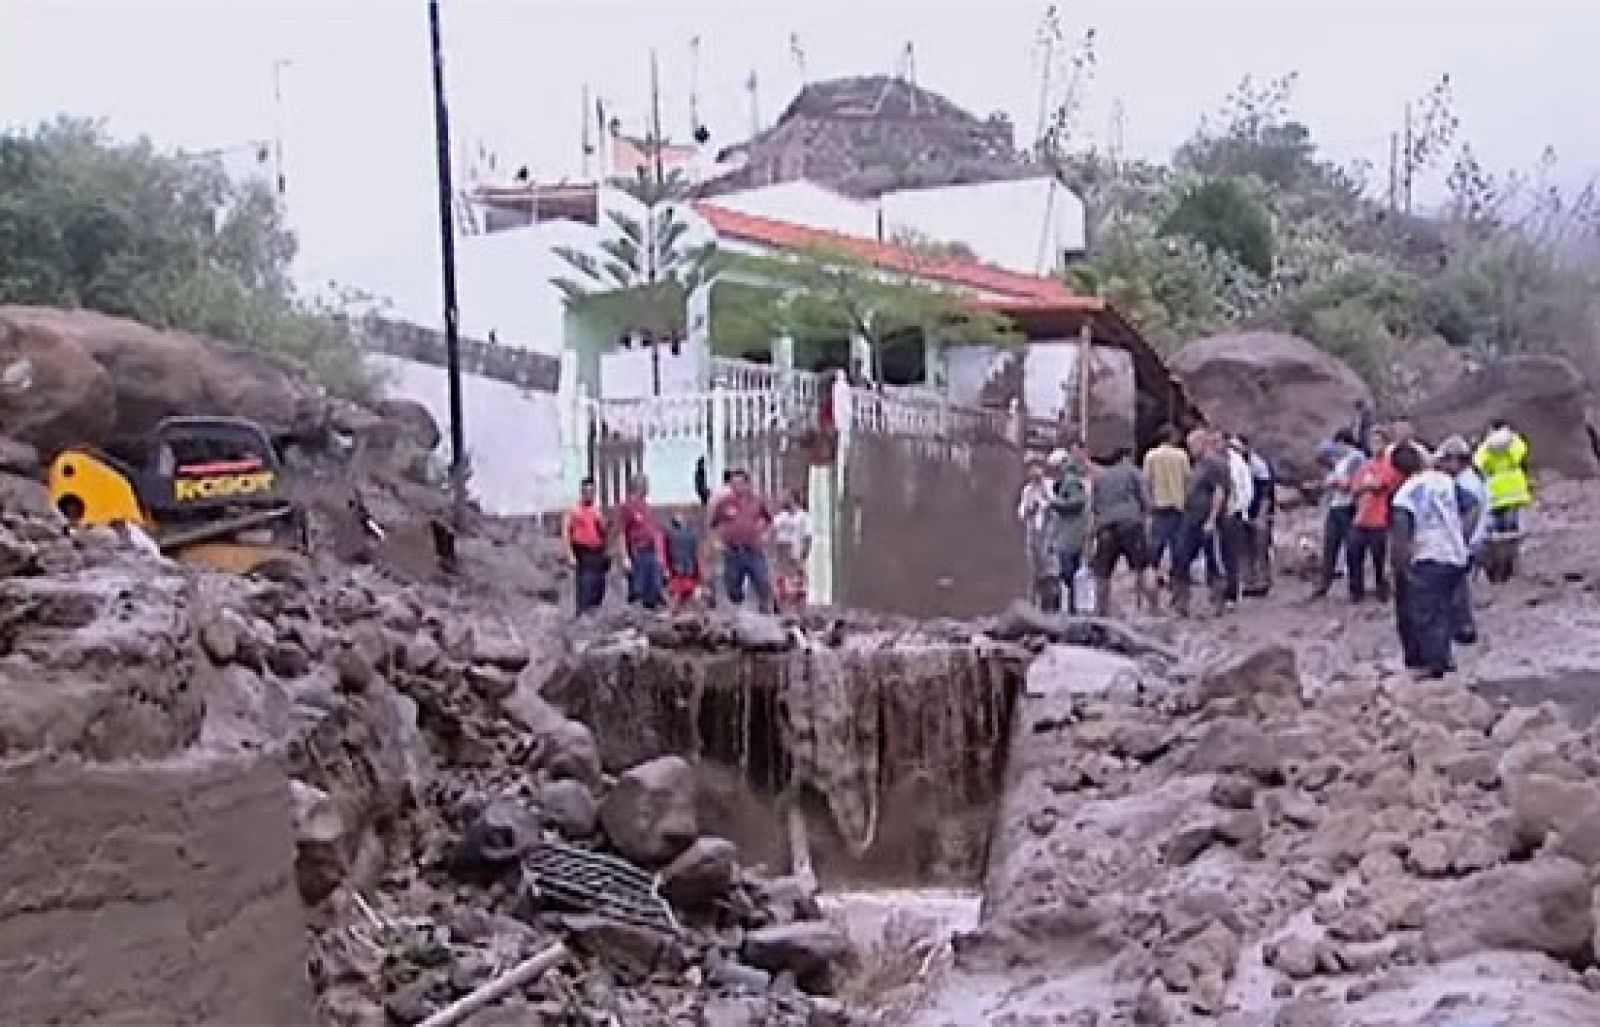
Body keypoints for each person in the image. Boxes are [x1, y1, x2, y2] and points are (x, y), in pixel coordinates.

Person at [1389, 442, 1480, 678]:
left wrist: (1400, 564)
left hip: (1427, 556)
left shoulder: (1405, 494)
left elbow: (1401, 533)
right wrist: (1462, 534)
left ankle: (1435, 667)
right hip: (1454, 554)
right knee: (1444, 609)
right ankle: (1445, 658)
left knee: (1424, 614)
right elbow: (1472, 506)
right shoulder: (1444, 481)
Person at [1170, 429, 1231, 616]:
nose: (1190, 450)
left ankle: (1217, 601)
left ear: (1203, 443)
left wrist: (1212, 519)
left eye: (1193, 445)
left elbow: (1220, 492)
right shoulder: (1198, 464)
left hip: (1208, 521)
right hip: (1191, 518)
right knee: (1182, 557)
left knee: (1213, 560)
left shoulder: (1215, 464)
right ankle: (1181, 601)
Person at [1089, 446, 1153, 616]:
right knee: (1143, 567)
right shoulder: (1133, 472)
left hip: (1106, 526)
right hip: (1130, 523)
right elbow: (1146, 500)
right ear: (1125, 458)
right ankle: (1153, 607)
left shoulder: (1102, 477)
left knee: (1102, 572)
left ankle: (1101, 610)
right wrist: (1144, 516)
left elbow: (1094, 505)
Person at [1437, 435, 1487, 644]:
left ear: (1458, 460)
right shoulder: (1469, 480)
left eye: (1447, 460)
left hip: (1467, 543)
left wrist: (1459, 540)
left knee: (1457, 587)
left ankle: (1463, 628)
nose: (1444, 465)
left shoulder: (1466, 484)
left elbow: (1471, 514)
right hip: (1472, 541)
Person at [1348, 426, 1401, 603]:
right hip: (1361, 517)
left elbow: (1383, 484)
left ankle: (1382, 590)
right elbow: (1355, 488)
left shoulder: (1390, 466)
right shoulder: (1365, 466)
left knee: (1379, 558)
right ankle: (1356, 592)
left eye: (1379, 442)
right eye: (1372, 442)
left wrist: (1368, 486)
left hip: (1379, 519)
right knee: (1354, 554)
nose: (1375, 445)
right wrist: (1367, 486)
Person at [709, 469, 775, 610]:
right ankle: (737, 611)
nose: (736, 487)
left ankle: (765, 609)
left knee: (762, 580)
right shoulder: (724, 503)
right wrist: (716, 541)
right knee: (732, 586)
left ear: (747, 484)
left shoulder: (757, 501)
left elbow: (769, 520)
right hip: (733, 551)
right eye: (733, 484)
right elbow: (714, 524)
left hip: (753, 549)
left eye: (740, 483)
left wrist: (766, 534)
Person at [1311, 430, 1366, 599]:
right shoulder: (1340, 460)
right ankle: (1324, 584)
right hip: (1336, 504)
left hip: (1349, 505)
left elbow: (1353, 483)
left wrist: (1335, 482)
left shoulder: (1357, 458)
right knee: (1330, 546)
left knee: (1352, 548)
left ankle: (1355, 587)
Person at [1142, 425, 1191, 577]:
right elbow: (1188, 479)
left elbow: (1146, 481)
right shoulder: (1182, 456)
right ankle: (1178, 575)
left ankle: (1153, 573)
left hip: (1158, 505)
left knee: (1156, 543)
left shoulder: (1151, 456)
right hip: (1178, 505)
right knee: (1178, 544)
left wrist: (1148, 502)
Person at [1048, 450, 1092, 613]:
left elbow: (1077, 502)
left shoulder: (1071, 481)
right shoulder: (1069, 479)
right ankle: (1071, 606)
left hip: (1071, 532)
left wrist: (1054, 502)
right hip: (1071, 531)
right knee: (1072, 571)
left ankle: (1072, 607)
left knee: (1068, 571)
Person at [1474, 421, 1532, 536]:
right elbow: (1522, 451)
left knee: (1499, 530)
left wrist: (1486, 443)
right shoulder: (1515, 443)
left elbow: (1477, 462)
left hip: (1497, 492)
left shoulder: (1486, 447)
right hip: (1517, 491)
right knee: (1515, 529)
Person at [617, 475, 667, 610]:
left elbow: (656, 531)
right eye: (644, 484)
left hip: (651, 552)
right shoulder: (627, 507)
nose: (647, 487)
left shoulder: (647, 507)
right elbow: (621, 533)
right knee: (638, 589)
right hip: (638, 552)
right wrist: (625, 557)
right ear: (636, 486)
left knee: (654, 588)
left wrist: (660, 555)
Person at [562, 477, 609, 615]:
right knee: (585, 586)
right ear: (582, 492)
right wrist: (570, 555)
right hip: (583, 552)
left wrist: (601, 520)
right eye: (587, 491)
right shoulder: (574, 510)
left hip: (597, 552)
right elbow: (566, 533)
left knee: (599, 586)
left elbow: (604, 531)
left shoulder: (596, 510)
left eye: (592, 492)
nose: (589, 495)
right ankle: (582, 614)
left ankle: (595, 614)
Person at [1218, 436, 1255, 608]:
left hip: (1233, 512)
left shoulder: (1237, 463)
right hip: (1216, 513)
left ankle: (1232, 593)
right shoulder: (1213, 461)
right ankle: (1219, 590)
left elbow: (1246, 489)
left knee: (1231, 555)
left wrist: (1238, 509)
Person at [1239, 436, 1277, 597]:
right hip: (1243, 510)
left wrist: (1263, 514)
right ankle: (1248, 581)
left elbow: (1266, 493)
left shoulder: (1259, 465)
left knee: (1261, 547)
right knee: (1244, 548)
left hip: (1258, 511)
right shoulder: (1238, 465)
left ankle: (1263, 581)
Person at [1018, 457, 1057, 608]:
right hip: (1032, 535)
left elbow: (1055, 504)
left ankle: (1052, 606)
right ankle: (1033, 606)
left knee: (1050, 572)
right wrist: (1029, 508)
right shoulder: (1027, 490)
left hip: (1049, 535)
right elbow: (1021, 513)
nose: (1034, 471)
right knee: (1033, 573)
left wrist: (1043, 498)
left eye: (1037, 468)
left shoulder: (1050, 485)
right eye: (1031, 469)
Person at [772, 490, 814, 613]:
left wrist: (804, 555)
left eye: (786, 497)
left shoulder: (804, 517)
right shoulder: (780, 517)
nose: (783, 499)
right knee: (782, 584)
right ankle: (782, 610)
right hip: (783, 553)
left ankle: (800, 612)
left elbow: (808, 537)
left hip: (797, 553)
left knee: (799, 585)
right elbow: (773, 533)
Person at [663, 513, 704, 612]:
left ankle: (691, 612)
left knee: (688, 594)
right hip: (679, 568)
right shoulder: (669, 532)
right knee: (678, 593)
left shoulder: (692, 533)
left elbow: (697, 553)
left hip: (688, 569)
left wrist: (700, 571)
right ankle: (676, 611)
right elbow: (665, 551)